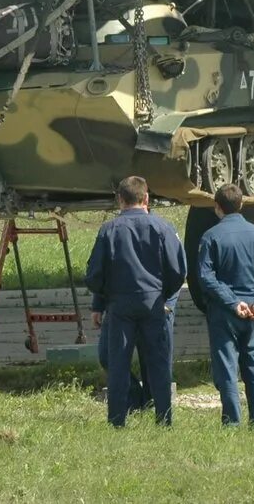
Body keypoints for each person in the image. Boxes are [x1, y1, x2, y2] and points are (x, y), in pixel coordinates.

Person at [85, 176, 186, 427]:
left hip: (119, 304)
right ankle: (164, 419)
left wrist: (103, 298)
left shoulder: (109, 230)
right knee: (158, 363)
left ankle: (117, 420)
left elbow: (95, 273)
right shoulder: (163, 228)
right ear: (147, 198)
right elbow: (177, 270)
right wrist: (163, 294)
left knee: (118, 364)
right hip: (154, 303)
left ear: (120, 199)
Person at [197, 183, 254, 427]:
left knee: (227, 369)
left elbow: (206, 277)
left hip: (225, 312)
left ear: (217, 207)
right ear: (242, 204)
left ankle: (232, 423)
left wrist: (233, 302)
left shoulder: (211, 237)